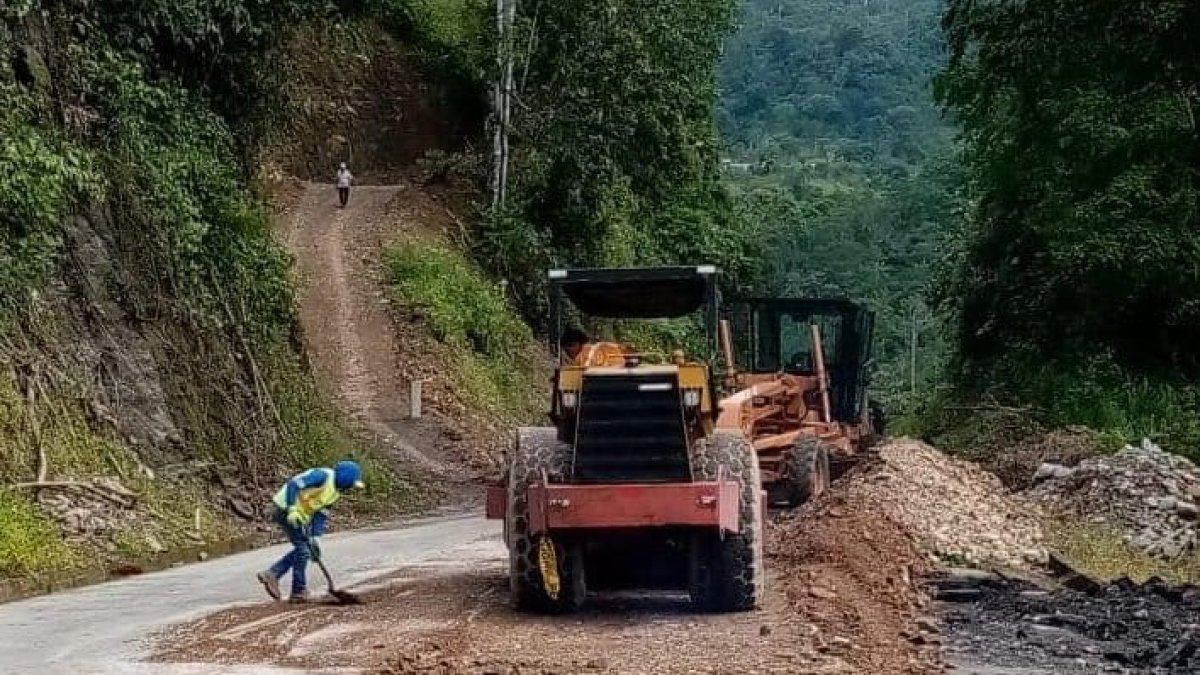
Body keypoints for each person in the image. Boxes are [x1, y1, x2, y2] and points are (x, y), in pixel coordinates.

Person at [257, 460, 365, 603]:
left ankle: (274, 574)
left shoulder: (335, 493)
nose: (350, 487)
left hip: (300, 516)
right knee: (303, 550)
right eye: (351, 483)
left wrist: (316, 537)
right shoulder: (322, 476)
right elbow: (293, 484)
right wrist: (292, 509)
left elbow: (320, 515)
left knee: (305, 548)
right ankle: (297, 591)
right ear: (346, 478)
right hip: (284, 509)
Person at [560, 327, 625, 367]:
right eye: (565, 349)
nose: (568, 351)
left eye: (570, 346)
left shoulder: (584, 356)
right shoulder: (601, 348)